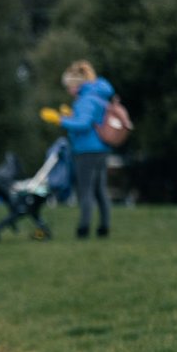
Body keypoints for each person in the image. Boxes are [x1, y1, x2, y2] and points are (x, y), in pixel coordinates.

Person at [40, 59, 114, 238]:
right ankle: (104, 227)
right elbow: (90, 119)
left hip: (86, 150)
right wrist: (71, 115)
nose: (68, 90)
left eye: (69, 86)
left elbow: (84, 124)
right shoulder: (98, 95)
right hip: (101, 148)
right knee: (100, 189)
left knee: (86, 190)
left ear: (77, 84)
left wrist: (60, 119)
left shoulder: (86, 99)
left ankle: (84, 228)